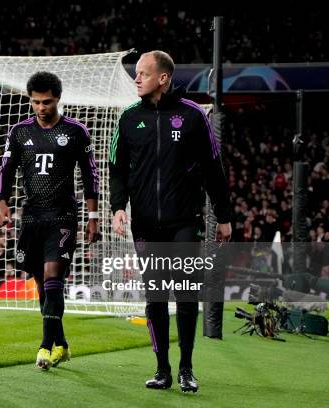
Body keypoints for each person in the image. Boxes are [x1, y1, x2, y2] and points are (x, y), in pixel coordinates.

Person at [109, 51, 232, 392]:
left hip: (183, 222)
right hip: (145, 225)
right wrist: (118, 207)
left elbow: (213, 170)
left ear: (162, 78)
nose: (136, 79)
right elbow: (117, 169)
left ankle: (187, 368)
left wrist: (224, 217)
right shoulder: (128, 118)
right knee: (156, 298)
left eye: (143, 74)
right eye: (136, 74)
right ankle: (162, 368)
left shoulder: (192, 116)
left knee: (187, 294)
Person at [0, 71, 100, 370]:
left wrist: (92, 217)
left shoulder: (76, 131)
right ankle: (63, 345)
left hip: (63, 214)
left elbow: (89, 176)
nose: (41, 107)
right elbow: (6, 169)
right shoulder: (19, 132)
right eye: (36, 102)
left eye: (47, 102)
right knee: (43, 285)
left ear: (58, 99)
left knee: (54, 278)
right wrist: (2, 204)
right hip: (31, 215)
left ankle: (44, 347)